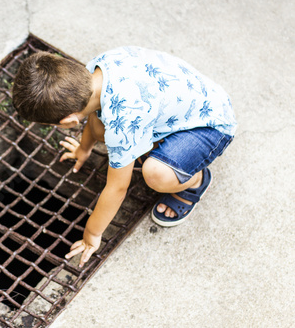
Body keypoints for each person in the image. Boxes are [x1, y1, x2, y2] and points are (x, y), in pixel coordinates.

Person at [12, 47, 237, 267]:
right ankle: (159, 150)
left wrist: (92, 234)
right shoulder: (97, 68)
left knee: (155, 174)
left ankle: (195, 181)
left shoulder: (124, 123)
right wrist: (84, 148)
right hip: (194, 99)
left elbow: (117, 189)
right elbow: (93, 115)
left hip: (211, 126)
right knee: (101, 129)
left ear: (69, 122)